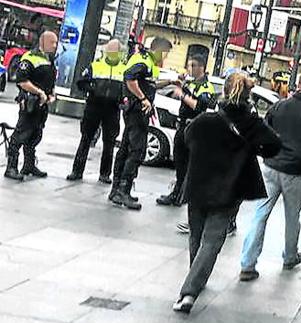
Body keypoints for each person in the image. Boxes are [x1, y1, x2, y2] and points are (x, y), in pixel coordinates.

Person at [172, 72, 281, 313]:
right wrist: (253, 148)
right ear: (247, 96)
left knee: (196, 236)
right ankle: (190, 290)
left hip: (199, 184)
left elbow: (188, 139)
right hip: (230, 189)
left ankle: (195, 276)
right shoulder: (251, 123)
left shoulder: (205, 119)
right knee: (212, 241)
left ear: (224, 92)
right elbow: (274, 145)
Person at [238, 70, 301, 282]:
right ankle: (289, 255)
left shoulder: (279, 105)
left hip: (271, 166)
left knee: (260, 213)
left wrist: (267, 155)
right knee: (292, 217)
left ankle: (247, 264)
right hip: (296, 172)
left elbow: (264, 131)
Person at [109, 37, 174, 210]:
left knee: (125, 148)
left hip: (134, 111)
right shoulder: (143, 61)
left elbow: (149, 84)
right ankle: (123, 190)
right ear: (159, 50)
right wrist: (143, 99)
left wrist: (169, 82)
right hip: (137, 112)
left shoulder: (147, 62)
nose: (165, 58)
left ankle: (116, 190)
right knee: (137, 150)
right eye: (165, 53)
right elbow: (130, 78)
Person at [156, 55, 217, 206]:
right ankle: (178, 193)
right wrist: (181, 83)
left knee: (188, 164)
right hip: (182, 125)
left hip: (194, 129)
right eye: (189, 65)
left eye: (193, 66)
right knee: (179, 162)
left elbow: (199, 106)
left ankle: (182, 194)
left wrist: (182, 95)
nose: (190, 69)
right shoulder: (191, 82)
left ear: (201, 67)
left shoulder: (206, 86)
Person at [67, 39, 125, 183]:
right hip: (94, 106)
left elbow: (128, 88)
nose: (112, 54)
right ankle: (77, 171)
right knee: (86, 139)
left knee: (109, 142)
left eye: (115, 52)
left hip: (112, 109)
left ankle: (105, 174)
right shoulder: (96, 65)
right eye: (110, 51)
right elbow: (81, 81)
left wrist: (121, 99)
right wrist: (93, 90)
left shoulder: (124, 69)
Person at [4, 31, 57, 181]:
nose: (55, 46)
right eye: (52, 42)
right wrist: (39, 92)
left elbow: (50, 78)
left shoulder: (49, 59)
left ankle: (29, 165)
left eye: (55, 43)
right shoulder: (29, 58)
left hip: (42, 104)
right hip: (30, 102)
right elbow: (21, 81)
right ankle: (11, 167)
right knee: (21, 134)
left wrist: (51, 93)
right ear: (43, 42)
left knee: (35, 135)